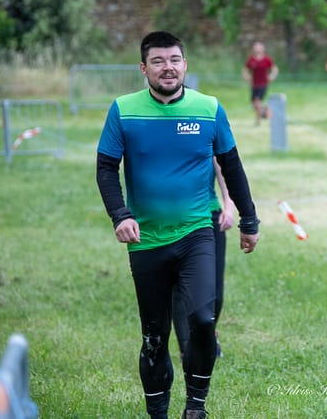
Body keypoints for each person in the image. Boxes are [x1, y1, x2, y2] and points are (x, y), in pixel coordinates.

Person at [96, 31, 260, 419]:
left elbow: (232, 166)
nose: (167, 67)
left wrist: (249, 220)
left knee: (203, 320)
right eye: (158, 61)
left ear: (185, 65)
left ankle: (195, 408)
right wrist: (121, 215)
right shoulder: (124, 110)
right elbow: (106, 168)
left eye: (174, 60)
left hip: (195, 233)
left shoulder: (209, 109)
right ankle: (158, 413)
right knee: (155, 337)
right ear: (143, 68)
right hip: (146, 239)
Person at [172, 161, 235, 362]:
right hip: (171, 216)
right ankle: (187, 350)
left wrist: (228, 207)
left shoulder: (208, 128)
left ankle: (208, 334)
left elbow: (224, 167)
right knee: (180, 288)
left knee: (214, 292)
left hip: (209, 215)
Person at [242, 41, 278, 125]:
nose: (257, 50)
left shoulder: (266, 59)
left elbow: (274, 68)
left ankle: (257, 121)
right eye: (255, 48)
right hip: (254, 85)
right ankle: (267, 110)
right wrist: (246, 76)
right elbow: (245, 69)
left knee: (257, 102)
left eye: (259, 48)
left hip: (263, 84)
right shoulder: (251, 60)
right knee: (253, 104)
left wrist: (272, 76)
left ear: (262, 49)